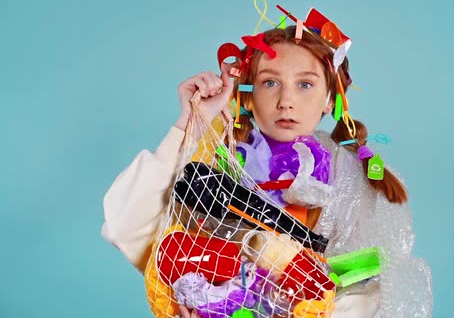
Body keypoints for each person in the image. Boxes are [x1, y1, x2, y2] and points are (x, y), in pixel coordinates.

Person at [102, 25, 432, 318]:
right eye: (270, 82)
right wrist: (191, 123)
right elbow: (126, 225)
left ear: (330, 99)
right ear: (246, 96)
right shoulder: (215, 165)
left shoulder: (349, 180)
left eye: (305, 84)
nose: (286, 100)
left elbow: (369, 296)